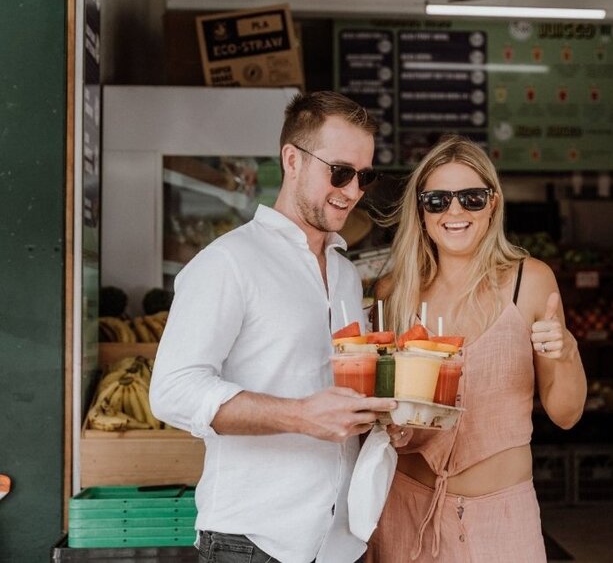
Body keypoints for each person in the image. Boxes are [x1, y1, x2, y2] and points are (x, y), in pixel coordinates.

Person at [150, 91, 399, 563]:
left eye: (364, 177)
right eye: (340, 172)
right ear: (292, 160)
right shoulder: (228, 262)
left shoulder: (345, 273)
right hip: (251, 543)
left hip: (338, 545)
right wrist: (301, 415)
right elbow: (173, 391)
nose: (352, 191)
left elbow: (335, 395)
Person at [367, 135, 587, 562]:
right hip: (405, 515)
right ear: (420, 209)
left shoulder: (531, 281)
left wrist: (567, 353)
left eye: (470, 198)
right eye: (438, 200)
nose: (455, 212)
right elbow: (379, 407)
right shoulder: (393, 291)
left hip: (502, 521)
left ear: (493, 203)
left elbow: (566, 415)